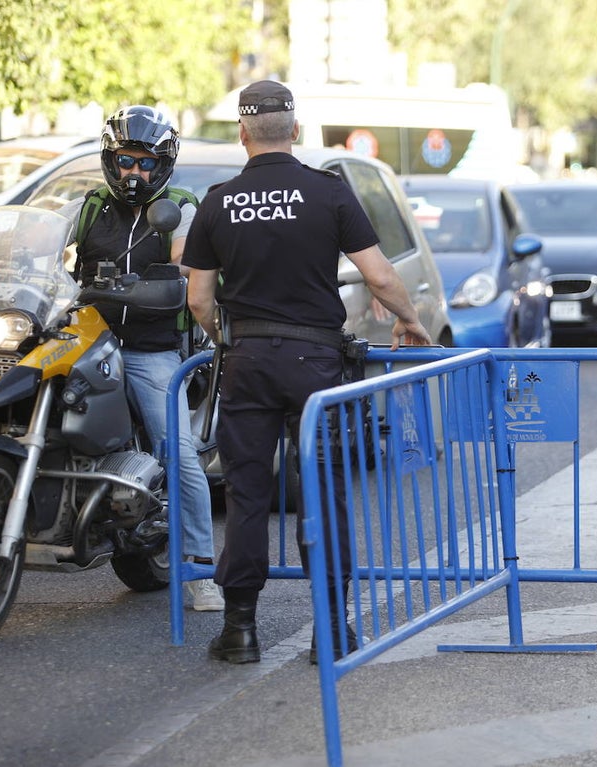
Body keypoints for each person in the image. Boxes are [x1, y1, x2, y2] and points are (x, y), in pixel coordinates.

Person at [182, 80, 432, 664]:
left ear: (242, 133)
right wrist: (411, 321)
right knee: (324, 492)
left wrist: (225, 340)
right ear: (294, 130)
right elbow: (381, 277)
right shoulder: (328, 194)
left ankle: (241, 631)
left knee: (247, 494)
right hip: (316, 364)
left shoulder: (218, 200)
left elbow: (198, 299)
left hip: (247, 361)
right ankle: (332, 631)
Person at [0, 106, 224, 612]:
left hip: (149, 348)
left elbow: (186, 262)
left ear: (161, 165)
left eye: (142, 163)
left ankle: (200, 569)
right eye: (123, 161)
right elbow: (28, 238)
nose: (131, 173)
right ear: (108, 160)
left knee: (178, 451)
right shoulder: (91, 206)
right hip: (84, 333)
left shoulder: (180, 206)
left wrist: (167, 279)